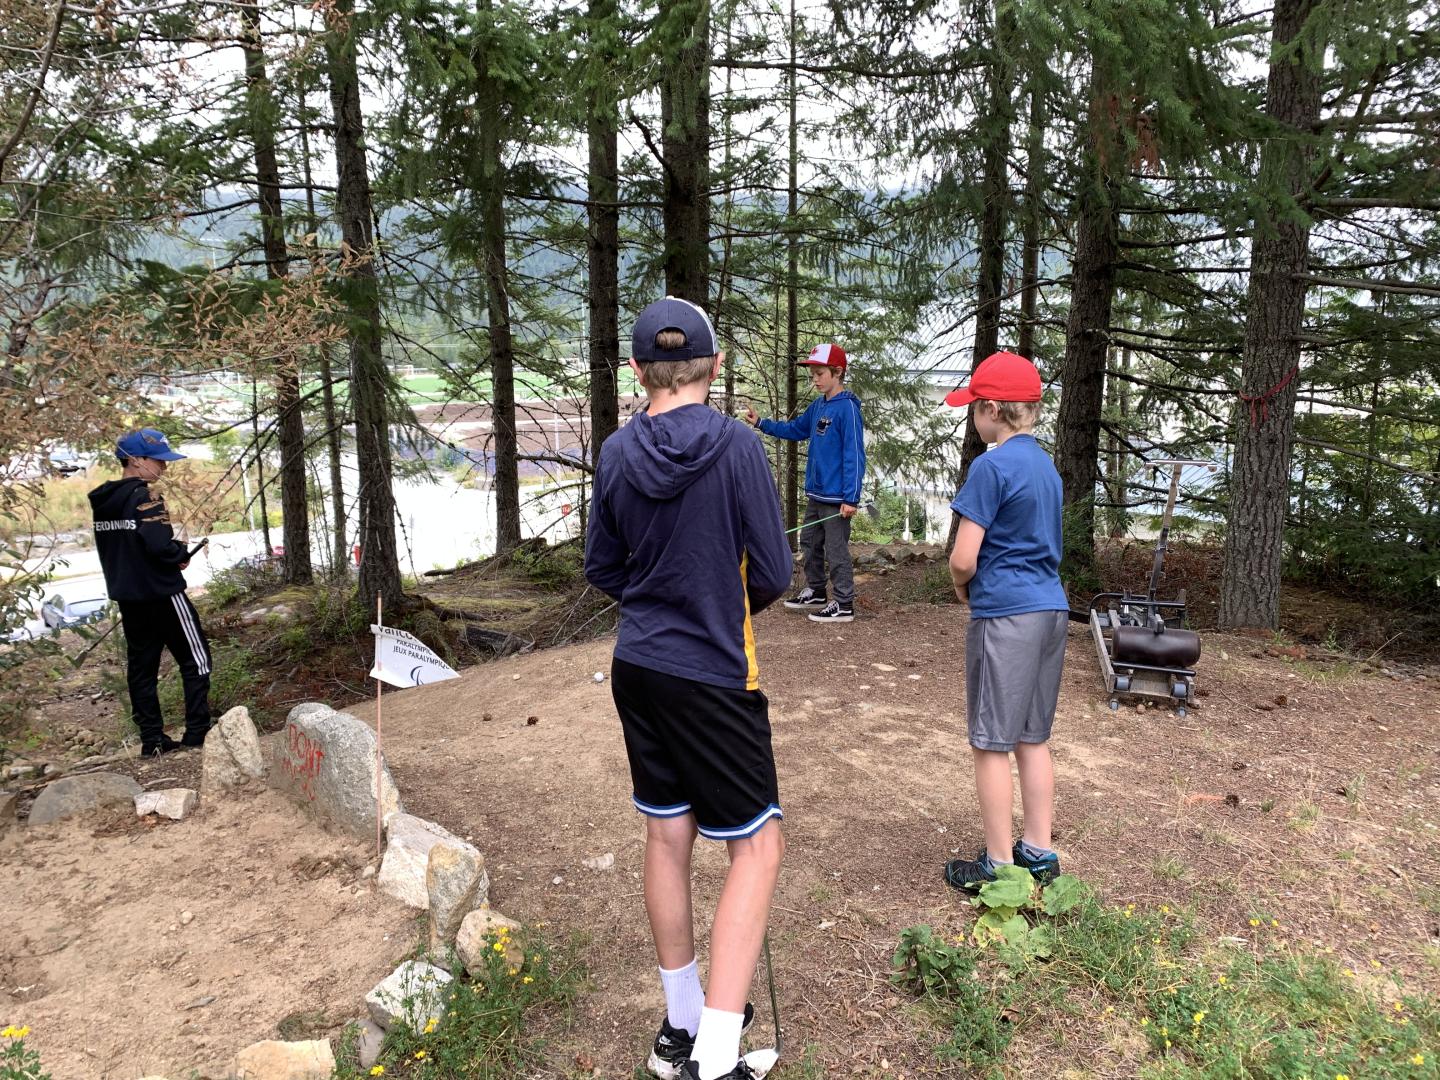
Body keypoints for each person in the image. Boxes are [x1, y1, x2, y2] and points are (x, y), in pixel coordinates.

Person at [585, 297, 793, 1080]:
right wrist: (711, 599)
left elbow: (603, 566)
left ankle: (681, 1029)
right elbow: (772, 571)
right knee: (758, 846)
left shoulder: (614, 452)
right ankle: (713, 1058)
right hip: (711, 671)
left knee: (668, 835)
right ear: (713, 366)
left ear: (638, 370)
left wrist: (659, 597)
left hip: (638, 666)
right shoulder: (738, 448)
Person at [940, 351, 1070, 890]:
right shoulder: (1046, 466)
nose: (973, 418)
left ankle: (998, 865)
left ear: (993, 409)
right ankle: (1038, 850)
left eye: (974, 408)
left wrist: (960, 589)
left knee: (991, 741)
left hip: (1007, 615)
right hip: (1052, 610)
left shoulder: (990, 467)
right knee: (1031, 737)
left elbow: (964, 556)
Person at [89, 428, 212, 757]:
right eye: (158, 461)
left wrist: (169, 555)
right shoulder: (148, 497)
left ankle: (152, 740)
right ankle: (198, 732)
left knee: (142, 670)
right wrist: (180, 553)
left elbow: (129, 549)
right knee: (197, 660)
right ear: (136, 460)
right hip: (164, 595)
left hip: (130, 600)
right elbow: (159, 547)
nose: (164, 468)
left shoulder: (103, 503)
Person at [746, 343, 865, 623]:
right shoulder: (818, 405)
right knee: (810, 543)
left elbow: (854, 454)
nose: (815, 379)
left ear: (838, 372)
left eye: (820, 373)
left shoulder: (847, 408)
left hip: (837, 498)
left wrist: (851, 498)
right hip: (817, 494)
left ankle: (844, 603)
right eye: (812, 374)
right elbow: (796, 429)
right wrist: (762, 423)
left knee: (836, 550)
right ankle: (816, 591)